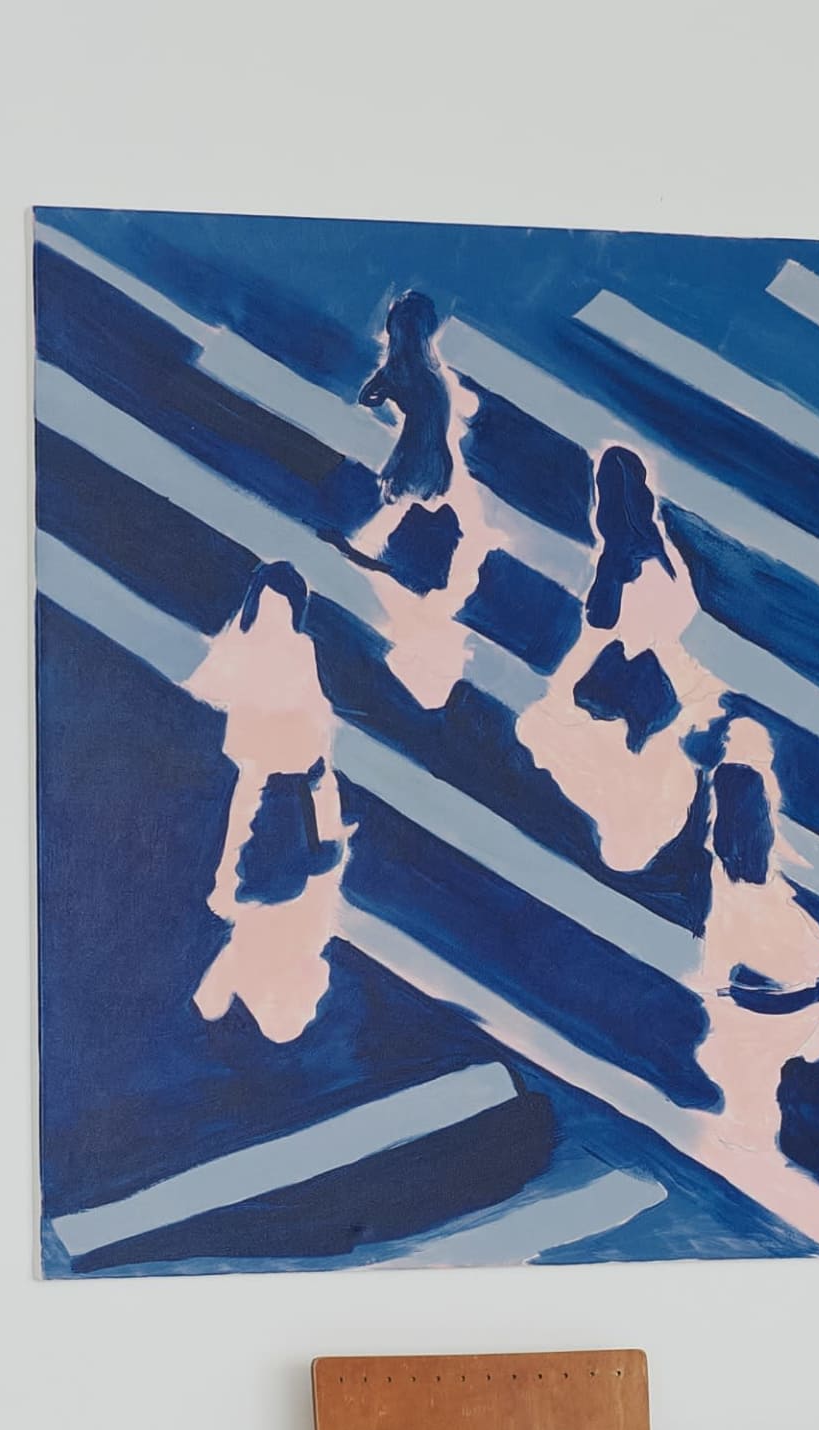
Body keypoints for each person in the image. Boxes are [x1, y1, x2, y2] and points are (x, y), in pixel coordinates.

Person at [518, 441, 724, 869]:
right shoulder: (659, 561)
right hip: (642, 680)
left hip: (635, 680)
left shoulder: (628, 567)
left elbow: (607, 635)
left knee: (539, 728)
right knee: (541, 728)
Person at [181, 562, 347, 1043]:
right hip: (284, 796)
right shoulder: (294, 931)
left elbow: (311, 720)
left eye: (287, 607)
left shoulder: (295, 651)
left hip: (285, 790)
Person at [684, 716, 819, 1170]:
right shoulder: (755, 794)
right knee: (735, 1041)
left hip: (777, 984)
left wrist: (715, 981)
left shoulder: (730, 798)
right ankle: (765, 1107)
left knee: (730, 1043)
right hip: (794, 975)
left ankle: (752, 1125)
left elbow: (725, 918)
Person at [347, 289, 497, 710]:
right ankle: (417, 636)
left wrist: (390, 395)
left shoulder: (401, 372)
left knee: (393, 549)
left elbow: (367, 396)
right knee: (416, 549)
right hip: (438, 464)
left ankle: (413, 646)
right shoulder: (433, 373)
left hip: (411, 461)